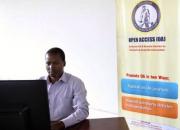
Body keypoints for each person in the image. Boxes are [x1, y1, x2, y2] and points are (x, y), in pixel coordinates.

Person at [40, 47, 89, 130]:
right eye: (48, 63)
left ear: (64, 63)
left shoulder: (76, 83)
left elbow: (83, 111)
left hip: (68, 126)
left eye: (55, 63)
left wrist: (61, 124)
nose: (51, 67)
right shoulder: (39, 82)